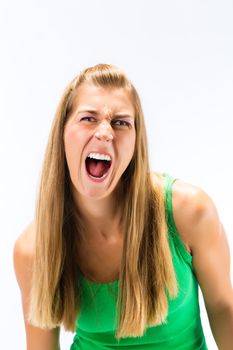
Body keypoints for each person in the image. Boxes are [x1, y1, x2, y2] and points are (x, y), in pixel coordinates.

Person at [14, 64, 233, 350]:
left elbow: (222, 308)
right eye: (89, 118)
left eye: (121, 122)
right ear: (63, 133)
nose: (105, 132)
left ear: (135, 143)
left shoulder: (189, 213)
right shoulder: (33, 250)